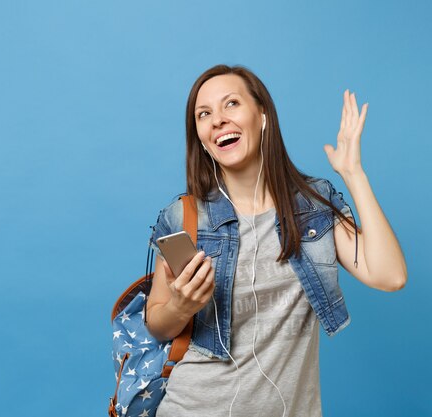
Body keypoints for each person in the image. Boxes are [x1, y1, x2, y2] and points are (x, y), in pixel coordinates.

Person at [146, 64, 407, 417]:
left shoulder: (312, 205)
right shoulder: (183, 217)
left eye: (231, 104)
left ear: (263, 116)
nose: (217, 120)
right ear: (202, 137)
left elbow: (390, 276)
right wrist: (180, 305)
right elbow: (157, 323)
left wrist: (353, 173)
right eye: (203, 114)